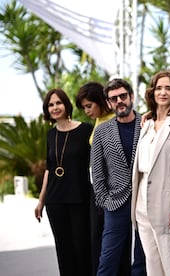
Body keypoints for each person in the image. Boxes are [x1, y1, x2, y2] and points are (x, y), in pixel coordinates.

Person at [131, 71, 170, 276]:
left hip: (166, 203)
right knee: (152, 266)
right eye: (159, 88)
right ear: (152, 92)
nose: (163, 92)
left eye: (168, 88)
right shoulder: (145, 124)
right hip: (141, 205)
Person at [35, 88, 93, 276]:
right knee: (63, 249)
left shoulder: (86, 130)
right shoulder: (50, 135)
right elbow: (49, 169)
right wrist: (41, 200)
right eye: (51, 105)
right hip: (55, 200)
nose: (55, 107)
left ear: (66, 105)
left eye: (58, 103)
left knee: (82, 247)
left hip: (79, 199)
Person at [91, 78, 146, 276]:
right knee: (108, 259)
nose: (119, 101)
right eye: (114, 99)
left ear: (131, 97)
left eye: (123, 96)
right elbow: (97, 170)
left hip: (145, 199)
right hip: (115, 202)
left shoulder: (147, 123)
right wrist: (104, 200)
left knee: (143, 257)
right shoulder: (101, 131)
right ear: (108, 103)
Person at [75, 81, 115, 276]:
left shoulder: (114, 119)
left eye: (89, 106)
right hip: (96, 188)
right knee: (95, 240)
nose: (87, 111)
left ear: (100, 100)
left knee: (108, 244)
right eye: (84, 108)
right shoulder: (99, 120)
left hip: (111, 191)